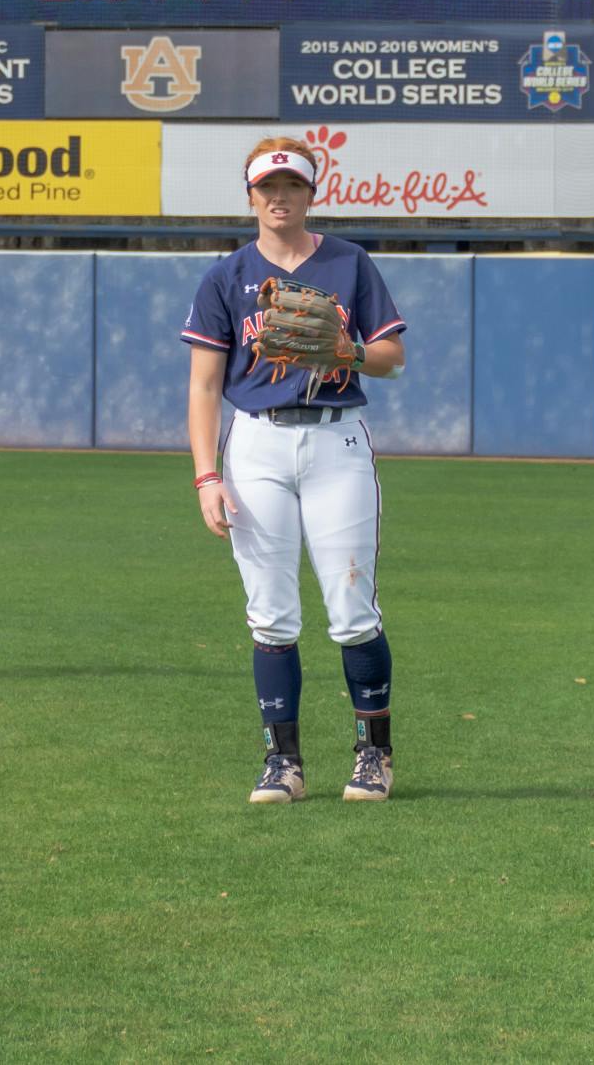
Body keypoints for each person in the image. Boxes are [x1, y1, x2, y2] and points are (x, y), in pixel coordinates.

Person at [180, 137, 408, 805]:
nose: (280, 196)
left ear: (312, 193)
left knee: (351, 609)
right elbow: (203, 386)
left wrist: (350, 348)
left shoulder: (349, 263)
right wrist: (205, 475)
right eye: (267, 186)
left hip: (337, 443)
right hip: (254, 446)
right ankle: (283, 761)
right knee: (271, 616)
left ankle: (374, 752)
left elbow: (392, 356)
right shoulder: (226, 277)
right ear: (250, 196)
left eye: (293, 185)